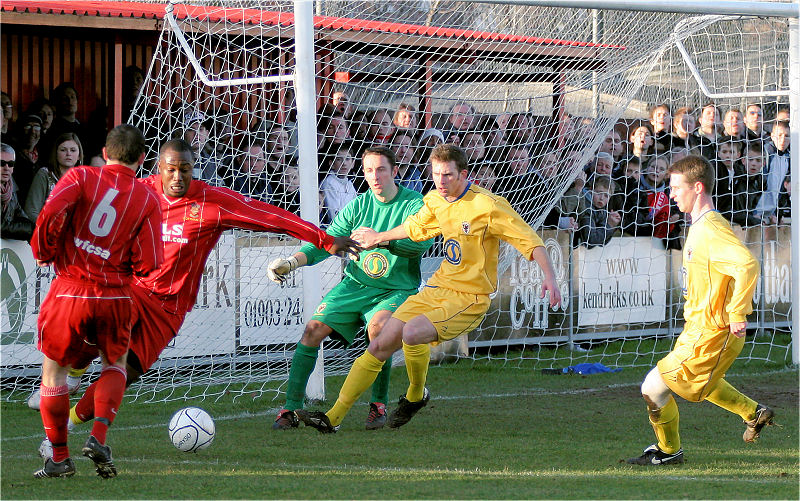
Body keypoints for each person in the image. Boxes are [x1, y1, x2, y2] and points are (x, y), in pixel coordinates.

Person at [38, 139, 361, 456]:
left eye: (186, 170)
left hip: (168, 310)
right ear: (157, 168)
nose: (178, 178)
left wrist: (324, 239)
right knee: (91, 330)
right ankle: (75, 373)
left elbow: (267, 215)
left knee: (127, 373)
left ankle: (70, 422)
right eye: (171, 170)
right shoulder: (140, 192)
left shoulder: (211, 201)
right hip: (129, 291)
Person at [295, 144, 561, 433]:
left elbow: (530, 241)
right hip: (438, 288)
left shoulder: (488, 206)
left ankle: (415, 395)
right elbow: (413, 228)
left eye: (448, 175)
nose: (441, 181)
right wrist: (378, 237)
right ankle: (332, 418)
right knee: (380, 343)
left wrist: (550, 276)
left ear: (464, 174)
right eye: (436, 174)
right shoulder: (434, 200)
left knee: (411, 333)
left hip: (470, 297)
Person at [30, 124, 164, 479]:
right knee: (115, 364)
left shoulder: (80, 177)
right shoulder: (148, 197)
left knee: (54, 373)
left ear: (105, 152)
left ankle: (59, 458)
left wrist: (44, 250)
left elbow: (50, 213)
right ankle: (99, 437)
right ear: (142, 159)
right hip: (116, 294)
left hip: (70, 289)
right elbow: (151, 262)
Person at [268, 146, 433, 431]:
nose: (375, 176)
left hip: (396, 290)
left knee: (380, 331)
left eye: (381, 169)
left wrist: (381, 239)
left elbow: (422, 243)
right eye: (369, 170)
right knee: (312, 330)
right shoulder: (358, 206)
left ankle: (377, 405)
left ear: (395, 171)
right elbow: (327, 242)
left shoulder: (414, 205)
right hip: (355, 285)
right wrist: (292, 262)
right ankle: (291, 409)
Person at [627, 154, 773, 466]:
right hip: (698, 330)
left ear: (697, 187)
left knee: (653, 388)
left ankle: (668, 452)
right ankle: (753, 412)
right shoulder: (701, 226)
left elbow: (747, 264)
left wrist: (737, 312)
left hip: (712, 333)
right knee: (696, 383)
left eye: (676, 187)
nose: (671, 193)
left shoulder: (709, 229)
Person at [25, 133, 83, 222]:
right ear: (55, 153)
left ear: (79, 155)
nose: (68, 154)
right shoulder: (44, 174)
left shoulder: (84, 179)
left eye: (73, 150)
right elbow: (31, 211)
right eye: (63, 150)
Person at [0, 143, 34, 240]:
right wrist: (30, 229)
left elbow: (23, 219)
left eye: (11, 164)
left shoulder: (12, 189)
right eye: (1, 163)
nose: (6, 168)